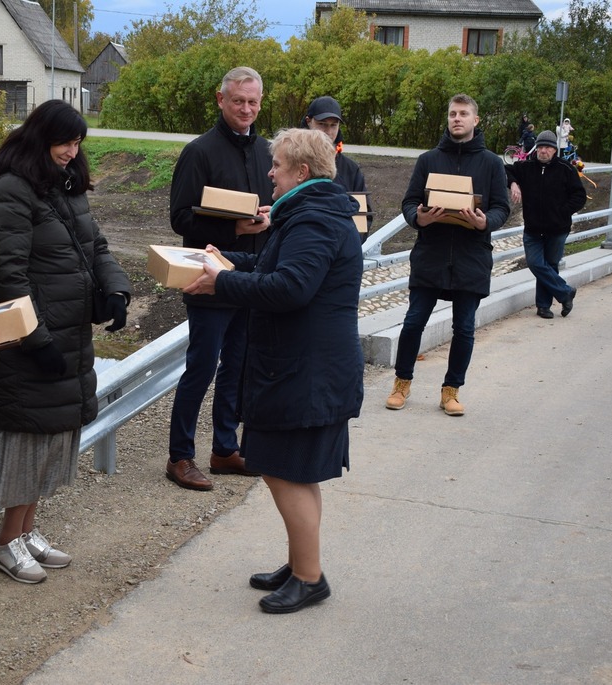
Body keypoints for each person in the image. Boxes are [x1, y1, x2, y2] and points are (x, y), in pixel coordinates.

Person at [183, 128, 363, 613]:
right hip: (305, 369)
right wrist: (226, 261)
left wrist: (222, 282)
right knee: (295, 474)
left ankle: (309, 578)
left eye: (277, 166)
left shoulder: (314, 219)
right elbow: (271, 265)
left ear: (301, 172)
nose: (269, 173)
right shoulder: (310, 212)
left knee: (286, 474)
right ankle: (302, 562)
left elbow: (289, 287)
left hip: (306, 373)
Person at [0, 100, 132, 583]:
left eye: (78, 142)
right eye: (65, 142)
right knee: (28, 439)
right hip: (29, 342)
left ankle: (25, 531)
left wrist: (116, 290)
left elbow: (95, 246)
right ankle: (6, 541)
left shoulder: (65, 185)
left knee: (51, 437)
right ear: (40, 138)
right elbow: (8, 275)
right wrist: (36, 339)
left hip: (67, 333)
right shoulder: (10, 190)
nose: (72, 151)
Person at [165, 66, 274, 491]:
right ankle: (180, 456)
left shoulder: (266, 151)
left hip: (252, 277)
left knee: (238, 367)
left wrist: (269, 216)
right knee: (202, 366)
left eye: (253, 102)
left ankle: (225, 449)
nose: (246, 109)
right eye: (238, 101)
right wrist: (233, 229)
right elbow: (180, 218)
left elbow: (275, 203)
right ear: (220, 99)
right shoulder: (199, 152)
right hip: (209, 276)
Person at [385, 94, 510, 416]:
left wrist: (485, 222)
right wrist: (419, 218)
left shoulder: (492, 163)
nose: (457, 118)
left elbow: (502, 208)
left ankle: (451, 391)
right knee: (413, 323)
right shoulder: (428, 160)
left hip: (472, 257)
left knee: (464, 329)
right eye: (453, 113)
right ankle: (401, 383)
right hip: (431, 255)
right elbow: (409, 202)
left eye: (463, 114)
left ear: (475, 120)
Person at [505, 130, 587, 319]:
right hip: (533, 229)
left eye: (548, 148)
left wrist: (562, 212)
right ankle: (565, 292)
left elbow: (579, 196)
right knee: (535, 263)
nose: (543, 151)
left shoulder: (566, 169)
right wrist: (514, 183)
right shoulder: (525, 167)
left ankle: (543, 306)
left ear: (554, 150)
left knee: (550, 265)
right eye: (541, 147)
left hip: (558, 229)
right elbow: (505, 169)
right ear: (536, 149)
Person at [302, 95, 373, 242]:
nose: (328, 131)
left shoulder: (351, 169)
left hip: (341, 249)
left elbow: (364, 218)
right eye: (322, 124)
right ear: (309, 121)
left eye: (333, 125)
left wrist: (346, 244)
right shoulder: (292, 161)